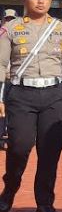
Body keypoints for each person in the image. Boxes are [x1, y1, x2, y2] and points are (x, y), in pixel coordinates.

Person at [0, 0, 62, 212]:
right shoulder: (11, 28)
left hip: (55, 95)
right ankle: (9, 189)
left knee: (50, 152)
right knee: (19, 147)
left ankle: (45, 203)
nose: (40, 2)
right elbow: (1, 63)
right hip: (21, 95)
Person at [0, 10, 18, 149]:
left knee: (13, 110)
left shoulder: (19, 36)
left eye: (12, 19)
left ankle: (11, 138)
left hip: (14, 80)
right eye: (7, 19)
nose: (9, 22)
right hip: (1, 78)